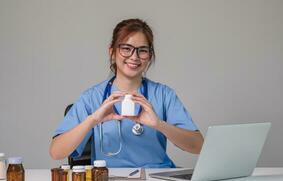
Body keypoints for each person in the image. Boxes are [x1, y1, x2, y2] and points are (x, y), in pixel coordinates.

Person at [49, 18, 204, 168]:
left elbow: (198, 146)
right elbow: (56, 152)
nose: (134, 57)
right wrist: (94, 119)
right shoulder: (91, 98)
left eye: (142, 50)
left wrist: (159, 124)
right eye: (126, 49)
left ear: (149, 55)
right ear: (112, 51)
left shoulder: (164, 95)